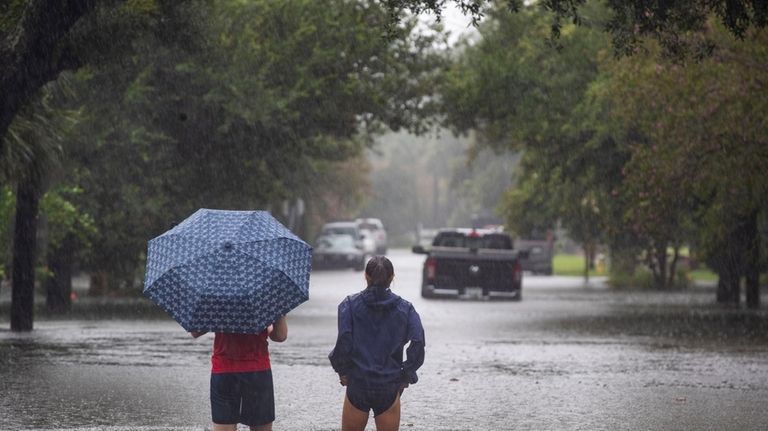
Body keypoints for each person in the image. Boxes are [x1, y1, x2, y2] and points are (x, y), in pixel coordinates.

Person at [329, 256, 426, 431]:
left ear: (366, 276)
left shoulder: (349, 306)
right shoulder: (406, 309)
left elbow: (344, 339)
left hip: (358, 382)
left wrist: (342, 370)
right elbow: (418, 342)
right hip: (388, 384)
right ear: (392, 277)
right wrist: (406, 374)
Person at [192, 315, 288, 431]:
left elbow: (195, 332)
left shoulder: (217, 299)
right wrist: (278, 316)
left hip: (224, 371)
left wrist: (217, 316)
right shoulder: (266, 299)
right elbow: (280, 336)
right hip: (257, 370)